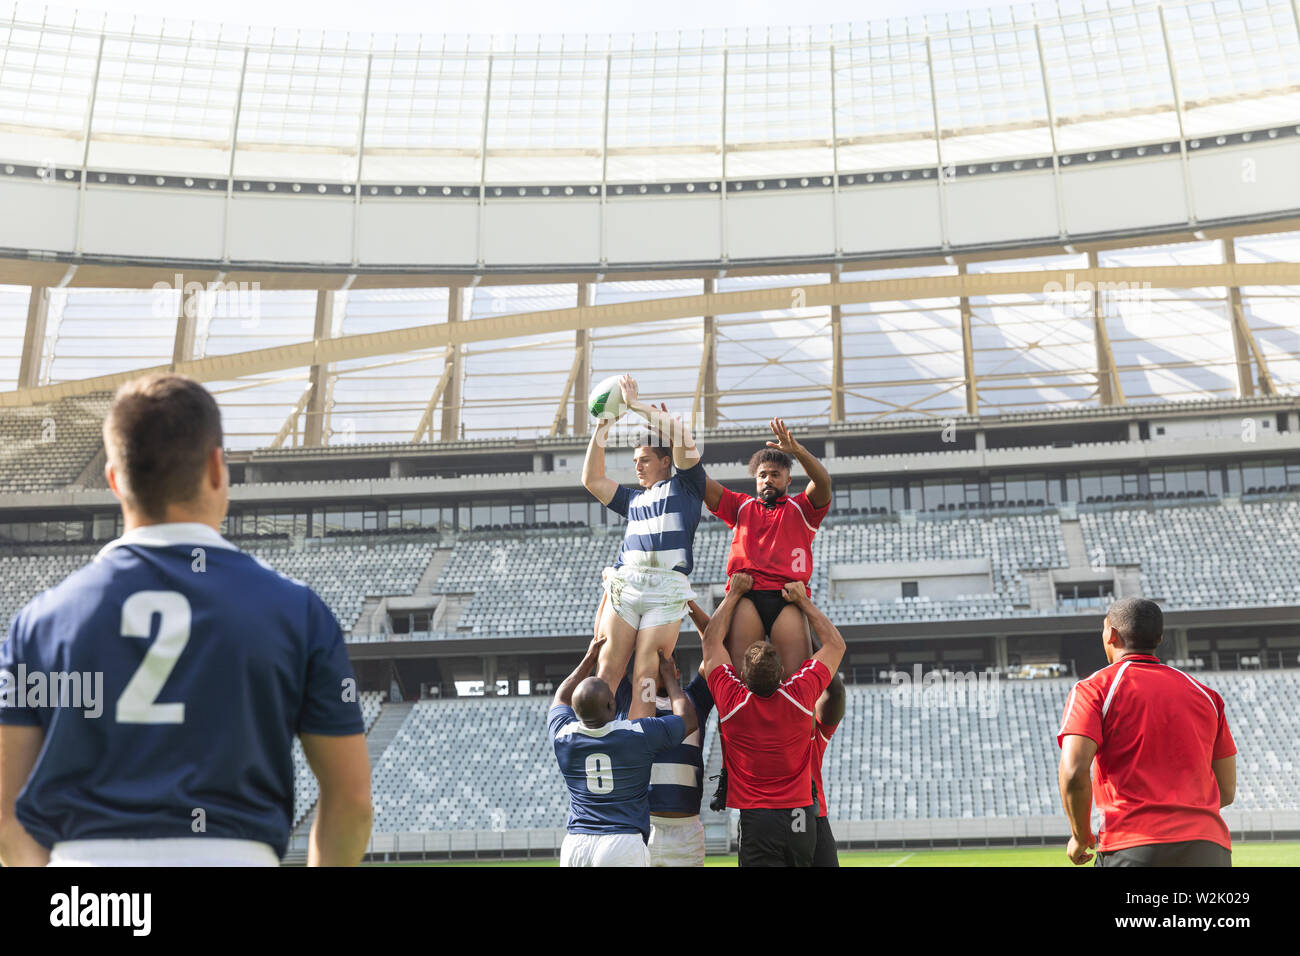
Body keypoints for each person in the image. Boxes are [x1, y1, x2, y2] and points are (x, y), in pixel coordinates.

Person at [0, 373, 372, 867]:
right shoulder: (296, 611)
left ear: (115, 479)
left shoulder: (41, 622)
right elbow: (352, 800)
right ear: (217, 468)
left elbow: (5, 811)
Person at [1056, 598, 1237, 867]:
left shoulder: (1093, 689)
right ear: (1160, 638)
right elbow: (1226, 790)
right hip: (1208, 847)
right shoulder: (1207, 695)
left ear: (1111, 634)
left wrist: (1080, 836)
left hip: (1133, 843)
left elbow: (1073, 772)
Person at [582, 377, 707, 719]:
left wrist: (636, 406)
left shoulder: (689, 486)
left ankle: (636, 745)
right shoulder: (632, 499)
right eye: (635, 460)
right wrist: (604, 426)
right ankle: (599, 737)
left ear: (667, 461)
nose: (636, 466)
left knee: (646, 678)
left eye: (645, 459)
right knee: (607, 672)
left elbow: (681, 436)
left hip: (667, 590)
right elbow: (591, 480)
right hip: (628, 583)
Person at [701, 574, 845, 867]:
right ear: (782, 675)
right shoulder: (800, 695)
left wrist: (733, 595)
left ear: (741, 676)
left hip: (758, 819)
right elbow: (835, 645)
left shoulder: (732, 702)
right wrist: (803, 602)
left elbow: (711, 642)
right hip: (801, 816)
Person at [549, 636, 698, 867]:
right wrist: (669, 677)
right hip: (621, 840)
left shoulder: (562, 736)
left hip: (576, 843)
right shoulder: (637, 734)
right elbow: (687, 719)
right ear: (612, 705)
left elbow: (560, 698)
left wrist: (589, 660)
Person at [703, 418, 832, 680]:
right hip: (746, 595)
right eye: (762, 475)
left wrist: (797, 451)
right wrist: (679, 448)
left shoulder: (803, 508)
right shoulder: (740, 506)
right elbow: (700, 484)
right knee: (742, 680)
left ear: (788, 479)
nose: (768, 480)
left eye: (775, 474)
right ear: (755, 480)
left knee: (796, 680)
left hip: (788, 598)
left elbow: (823, 482)